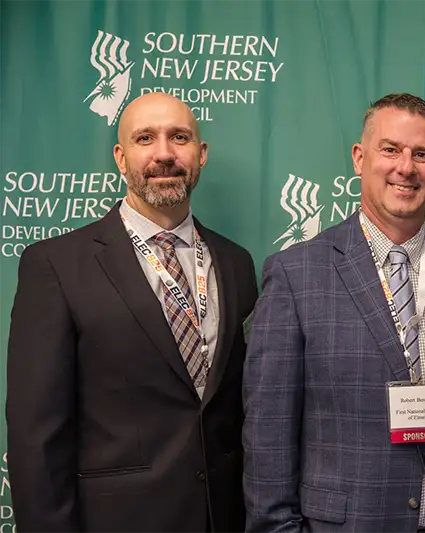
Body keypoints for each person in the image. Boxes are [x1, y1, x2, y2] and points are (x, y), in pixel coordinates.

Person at [243, 93, 425, 533]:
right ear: (359, 158)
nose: (406, 167)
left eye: (421, 154)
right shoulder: (296, 275)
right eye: (390, 149)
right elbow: (269, 434)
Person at [6, 92, 258, 533]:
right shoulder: (56, 265)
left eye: (179, 138)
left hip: (224, 517)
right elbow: (37, 438)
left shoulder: (236, 263)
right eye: (146, 138)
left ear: (201, 155)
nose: (164, 154)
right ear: (121, 158)